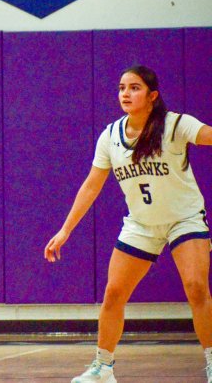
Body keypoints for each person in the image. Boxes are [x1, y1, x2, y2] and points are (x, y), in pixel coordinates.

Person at [44, 65, 212, 383]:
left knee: (196, 287)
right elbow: (91, 185)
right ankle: (103, 367)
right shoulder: (110, 136)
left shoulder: (176, 125)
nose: (125, 93)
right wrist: (65, 229)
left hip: (184, 218)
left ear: (152, 96)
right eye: (122, 87)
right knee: (114, 292)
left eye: (134, 88)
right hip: (142, 223)